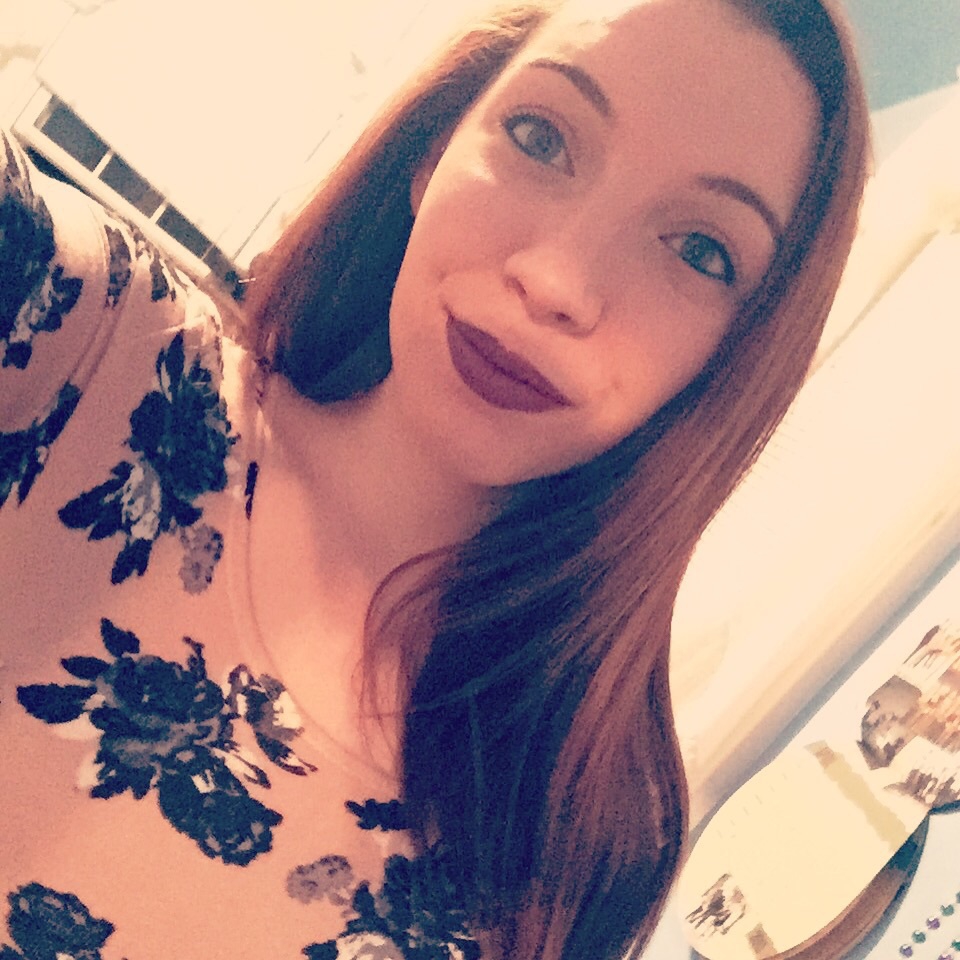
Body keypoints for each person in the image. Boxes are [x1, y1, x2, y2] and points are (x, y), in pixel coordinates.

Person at [0, 0, 868, 958]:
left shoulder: (583, 845)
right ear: (434, 152)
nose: (557, 282)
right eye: (541, 138)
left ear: (733, 354)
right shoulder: (82, 338)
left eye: (700, 250)